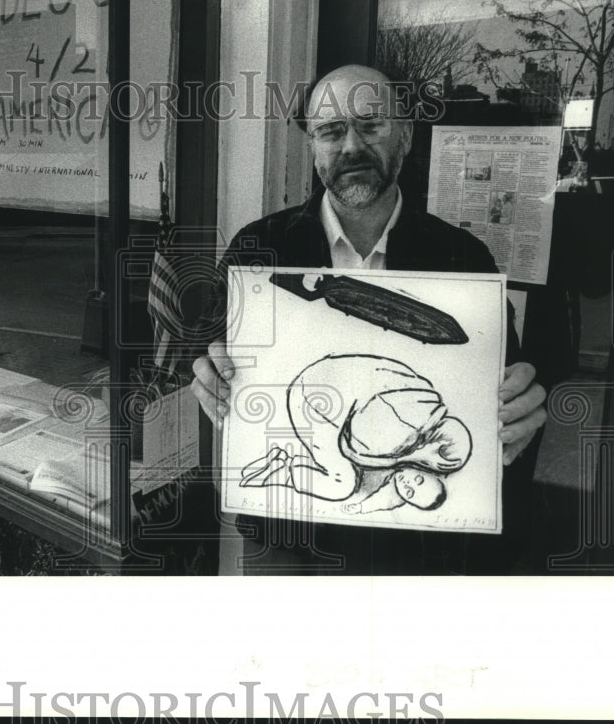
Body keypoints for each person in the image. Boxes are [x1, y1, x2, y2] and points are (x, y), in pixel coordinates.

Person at [190, 64, 547, 575]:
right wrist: (206, 373)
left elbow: (505, 384)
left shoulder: (464, 259)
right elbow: (207, 349)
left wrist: (521, 406)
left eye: (371, 125)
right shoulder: (258, 249)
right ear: (312, 145)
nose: (351, 146)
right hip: (286, 539)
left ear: (405, 134)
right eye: (331, 131)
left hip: (414, 551)